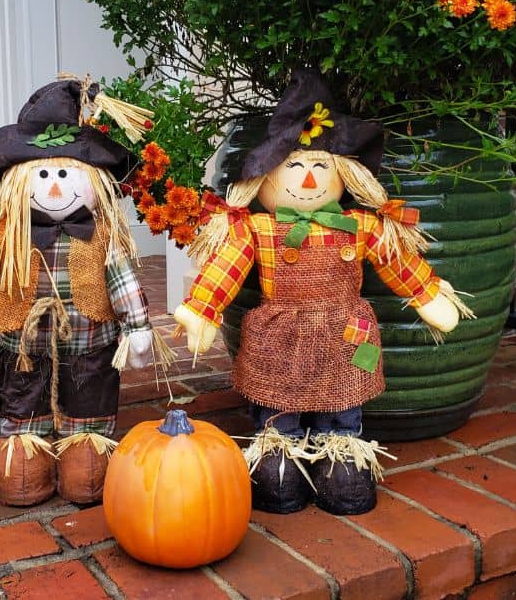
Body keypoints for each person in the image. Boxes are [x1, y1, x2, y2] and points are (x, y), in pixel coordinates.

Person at [174, 69, 471, 515]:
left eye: (320, 167)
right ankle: (280, 450)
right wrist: (203, 308)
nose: (309, 180)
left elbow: (397, 261)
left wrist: (428, 295)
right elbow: (226, 269)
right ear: (266, 178)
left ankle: (341, 451)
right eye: (294, 167)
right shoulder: (257, 230)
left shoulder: (360, 226)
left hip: (343, 332)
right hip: (281, 333)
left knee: (343, 393)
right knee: (278, 394)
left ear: (343, 174)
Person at [0, 78, 167, 507]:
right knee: (21, 402)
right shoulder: (7, 232)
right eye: (42, 175)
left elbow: (122, 279)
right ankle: (26, 453)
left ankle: (84, 449)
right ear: (17, 181)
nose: (55, 187)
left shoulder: (103, 232)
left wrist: (136, 327)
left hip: (89, 343)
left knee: (89, 401)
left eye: (64, 174)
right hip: (22, 343)